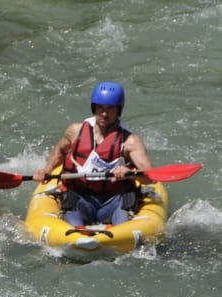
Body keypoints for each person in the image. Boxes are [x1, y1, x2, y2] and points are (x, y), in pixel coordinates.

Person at [32, 81, 155, 227]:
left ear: (118, 110)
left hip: (114, 200)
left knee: (123, 221)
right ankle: (78, 235)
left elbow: (151, 177)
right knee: (72, 223)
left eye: (110, 109)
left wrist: (130, 173)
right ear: (94, 108)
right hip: (81, 197)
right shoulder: (75, 131)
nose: (104, 113)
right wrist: (46, 170)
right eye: (100, 108)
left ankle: (119, 236)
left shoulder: (130, 142)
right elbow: (59, 151)